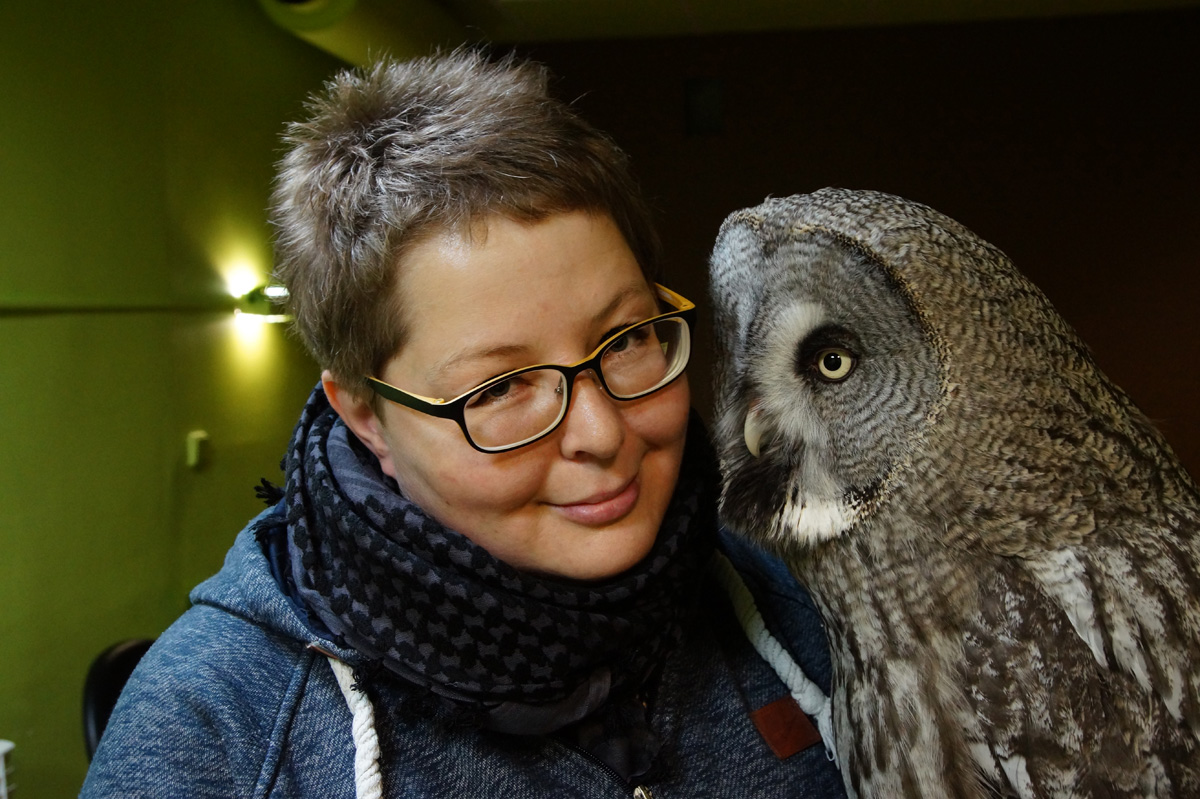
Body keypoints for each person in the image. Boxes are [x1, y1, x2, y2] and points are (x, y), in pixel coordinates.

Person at [81, 49, 846, 798]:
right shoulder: (213, 731)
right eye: (502, 386)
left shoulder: (782, 603)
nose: (603, 433)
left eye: (628, 337)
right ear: (364, 414)